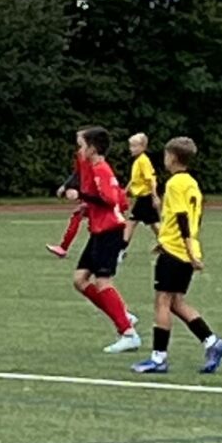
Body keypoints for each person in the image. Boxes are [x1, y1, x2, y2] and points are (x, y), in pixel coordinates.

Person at [133, 137, 222, 374]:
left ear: (173, 157)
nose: (164, 159)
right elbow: (195, 218)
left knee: (162, 301)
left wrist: (184, 248)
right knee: (176, 302)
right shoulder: (191, 183)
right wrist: (175, 244)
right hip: (182, 250)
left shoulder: (175, 183)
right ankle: (212, 342)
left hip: (177, 252)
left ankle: (158, 358)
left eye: (166, 155)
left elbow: (182, 218)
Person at [65, 126, 141, 354]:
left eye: (81, 146)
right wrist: (87, 207)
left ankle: (128, 333)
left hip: (109, 232)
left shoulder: (101, 170)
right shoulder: (96, 170)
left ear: (92, 148)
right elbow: (118, 201)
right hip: (99, 231)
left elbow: (110, 200)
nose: (79, 151)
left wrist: (82, 196)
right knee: (80, 280)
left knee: (103, 282)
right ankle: (121, 314)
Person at [123, 132, 161, 248]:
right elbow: (134, 179)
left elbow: (151, 180)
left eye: (134, 146)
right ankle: (167, 244)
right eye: (131, 146)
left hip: (145, 197)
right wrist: (125, 191)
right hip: (142, 197)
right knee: (154, 224)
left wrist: (155, 197)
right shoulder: (138, 161)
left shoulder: (143, 161)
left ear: (143, 147)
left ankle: (121, 248)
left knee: (131, 222)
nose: (131, 149)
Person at [46, 166, 88, 259]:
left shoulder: (95, 167)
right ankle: (63, 248)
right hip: (93, 201)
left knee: (102, 226)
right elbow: (77, 173)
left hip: (100, 202)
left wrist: (86, 202)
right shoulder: (86, 164)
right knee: (77, 218)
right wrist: (65, 186)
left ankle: (63, 248)